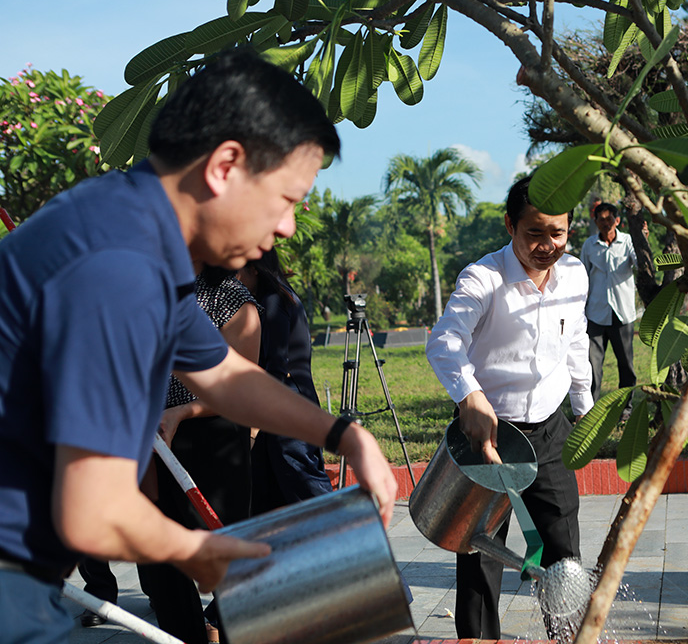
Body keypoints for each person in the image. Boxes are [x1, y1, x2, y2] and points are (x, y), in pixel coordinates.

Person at [0, 48, 396, 643]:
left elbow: (225, 376)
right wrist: (203, 552)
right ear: (225, 166)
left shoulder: (138, 233)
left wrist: (343, 435)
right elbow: (93, 507)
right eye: (286, 199)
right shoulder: (121, 267)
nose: (287, 227)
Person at [425, 176, 593, 640]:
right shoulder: (484, 278)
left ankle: (567, 637)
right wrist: (468, 395)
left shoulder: (576, 274)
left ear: (569, 229)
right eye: (533, 233)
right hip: (488, 436)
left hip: (550, 430)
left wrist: (586, 409)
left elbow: (576, 342)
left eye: (556, 234)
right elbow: (444, 342)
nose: (546, 246)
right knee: (480, 552)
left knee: (563, 551)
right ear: (510, 225)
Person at [138, 266, 263, 644]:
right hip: (152, 436)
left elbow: (242, 383)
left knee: (222, 554)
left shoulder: (232, 302)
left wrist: (181, 412)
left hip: (212, 439)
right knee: (159, 559)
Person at [240, 249, 334, 514]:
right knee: (278, 492)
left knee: (305, 485)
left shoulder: (274, 299)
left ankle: (346, 538)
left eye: (238, 270)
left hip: (287, 404)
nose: (235, 278)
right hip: (287, 401)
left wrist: (255, 425)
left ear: (255, 268)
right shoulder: (279, 295)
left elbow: (277, 366)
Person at [580, 202, 639, 404]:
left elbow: (640, 265)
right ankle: (590, 409)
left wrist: (643, 241)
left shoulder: (628, 241)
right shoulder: (589, 245)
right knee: (592, 365)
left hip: (622, 313)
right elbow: (583, 276)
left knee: (626, 365)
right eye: (601, 219)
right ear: (595, 221)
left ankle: (626, 407)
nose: (606, 223)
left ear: (617, 220)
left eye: (609, 219)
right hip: (596, 313)